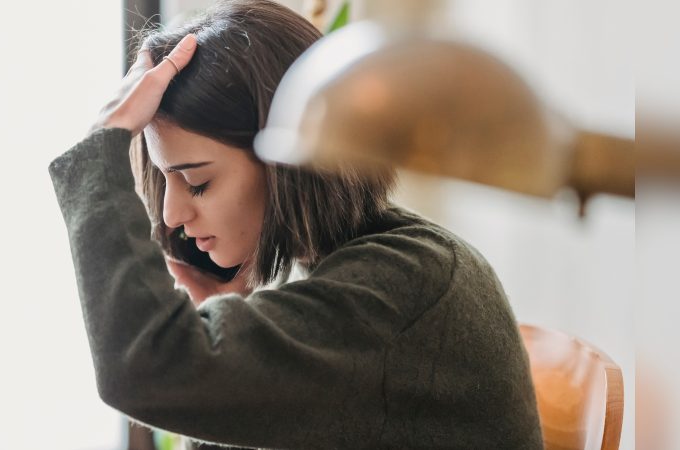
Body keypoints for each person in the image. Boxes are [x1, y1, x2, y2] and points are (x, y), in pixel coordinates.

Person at [48, 1, 543, 448]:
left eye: (197, 183)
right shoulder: (348, 266)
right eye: (166, 181)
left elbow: (146, 367)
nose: (174, 217)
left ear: (285, 165)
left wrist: (101, 149)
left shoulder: (406, 285)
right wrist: (230, 324)